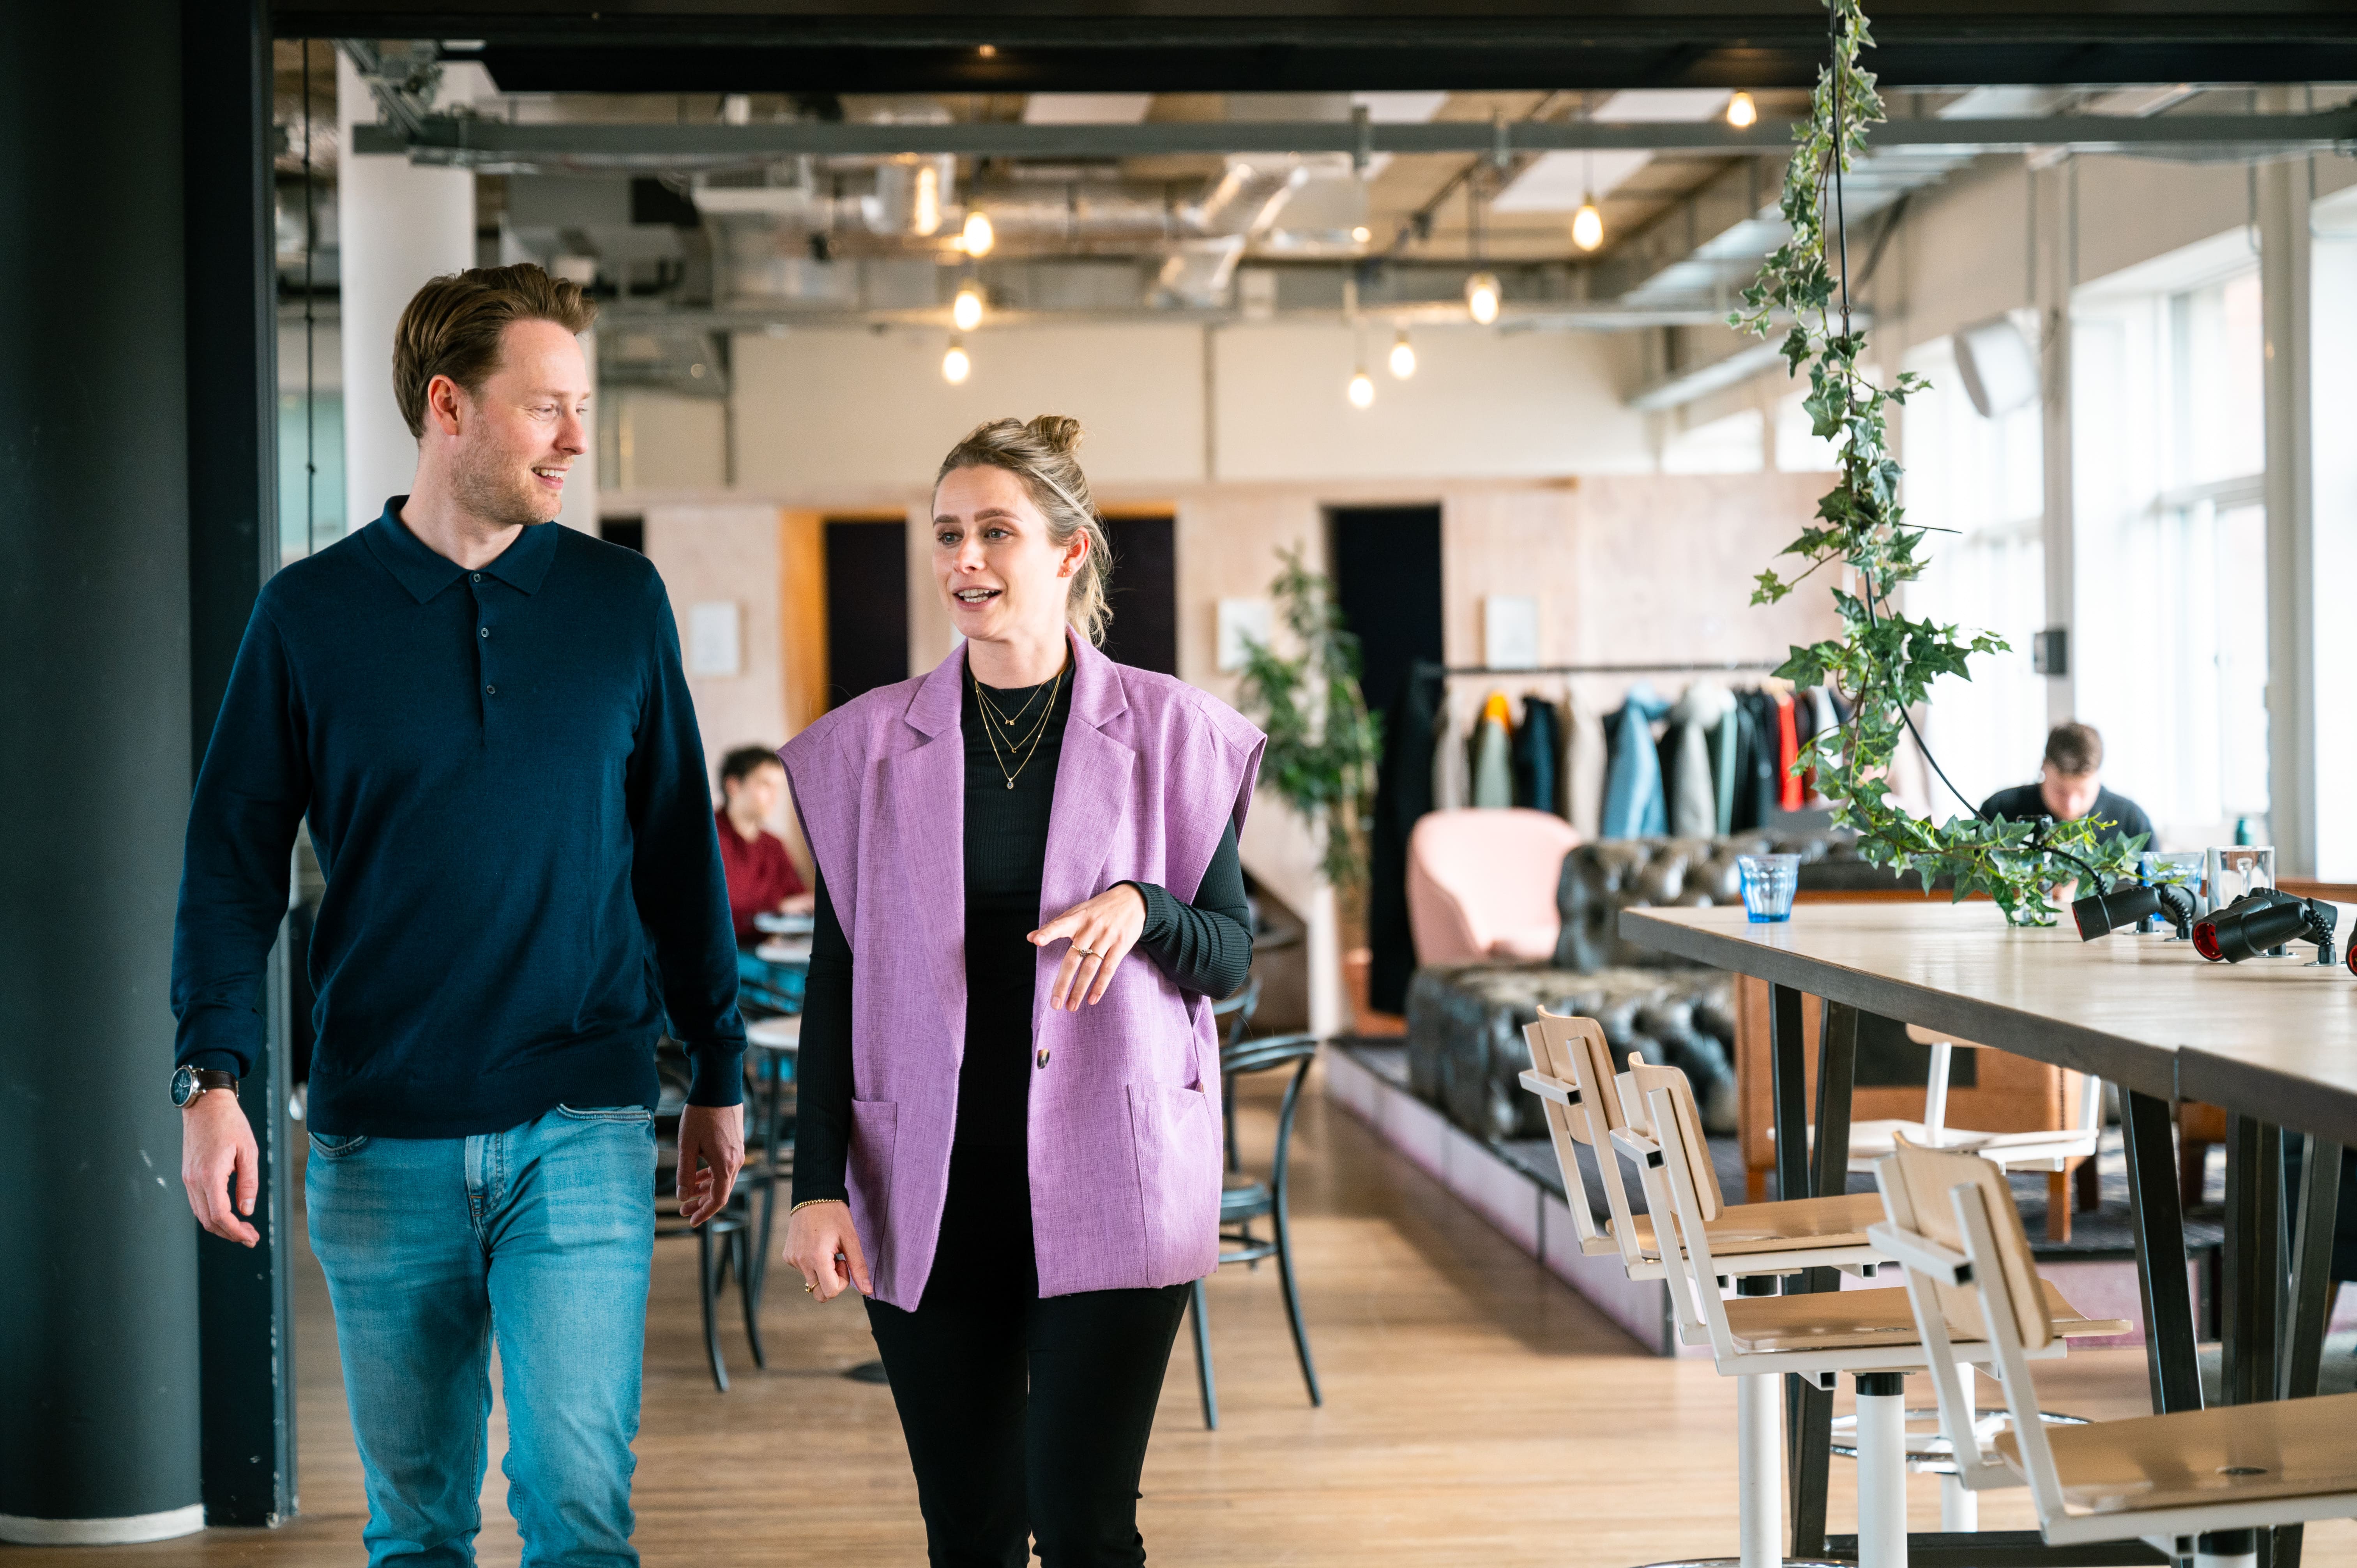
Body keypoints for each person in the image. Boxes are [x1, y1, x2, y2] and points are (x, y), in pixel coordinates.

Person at [172, 263, 746, 1568]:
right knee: (419, 1526)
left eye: (581, 405)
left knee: (577, 1504)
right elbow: (230, 866)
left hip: (585, 1122)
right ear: (448, 406)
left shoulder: (618, 604)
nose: (576, 439)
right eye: (546, 407)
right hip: (384, 1137)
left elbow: (674, 853)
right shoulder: (306, 618)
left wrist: (717, 1068)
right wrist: (212, 1076)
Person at [779, 416, 1263, 1568]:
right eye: (948, 534)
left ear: (1069, 552)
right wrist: (814, 1188)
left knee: (1089, 1527)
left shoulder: (1172, 736)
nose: (965, 561)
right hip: (928, 1192)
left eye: (996, 531)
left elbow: (1233, 955)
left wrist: (1145, 908)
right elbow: (834, 982)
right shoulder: (864, 751)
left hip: (1119, 1175)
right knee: (973, 1534)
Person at [1978, 721, 2155, 848]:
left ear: (2098, 777)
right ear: (2043, 768)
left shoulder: (2131, 821)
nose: (2071, 806)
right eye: (2060, 791)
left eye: (2083, 793)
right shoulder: (1999, 811)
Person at [715, 744, 814, 944]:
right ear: (733, 786)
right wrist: (779, 908)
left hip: (769, 949)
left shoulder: (773, 845)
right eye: (765, 785)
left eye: (777, 787)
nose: (774, 797)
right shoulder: (708, 840)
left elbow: (799, 898)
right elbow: (713, 913)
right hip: (722, 953)